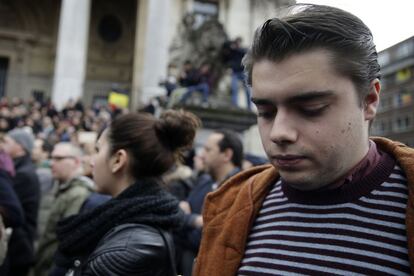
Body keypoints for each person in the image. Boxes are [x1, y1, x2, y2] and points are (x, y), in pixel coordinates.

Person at [194, 4, 414, 275]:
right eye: (265, 112)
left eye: (310, 108)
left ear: (369, 100)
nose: (278, 132)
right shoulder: (230, 205)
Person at [53, 110, 200, 275]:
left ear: (118, 160)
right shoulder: (124, 223)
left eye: (98, 150)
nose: (91, 161)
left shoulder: (128, 251)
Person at [176, 129, 243, 276]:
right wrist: (194, 221)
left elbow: (210, 240)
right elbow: (178, 217)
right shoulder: (204, 182)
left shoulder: (241, 192)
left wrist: (187, 221)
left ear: (226, 155)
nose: (201, 155)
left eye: (208, 150)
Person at [34, 142, 95, 276]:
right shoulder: (60, 187)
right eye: (52, 158)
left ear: (76, 162)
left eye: (59, 159)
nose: (52, 163)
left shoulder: (78, 193)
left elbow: (67, 242)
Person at [0, 128, 40, 276]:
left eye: (7, 141)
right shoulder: (17, 169)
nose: (3, 145)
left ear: (20, 147)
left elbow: (14, 213)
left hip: (18, 249)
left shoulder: (23, 174)